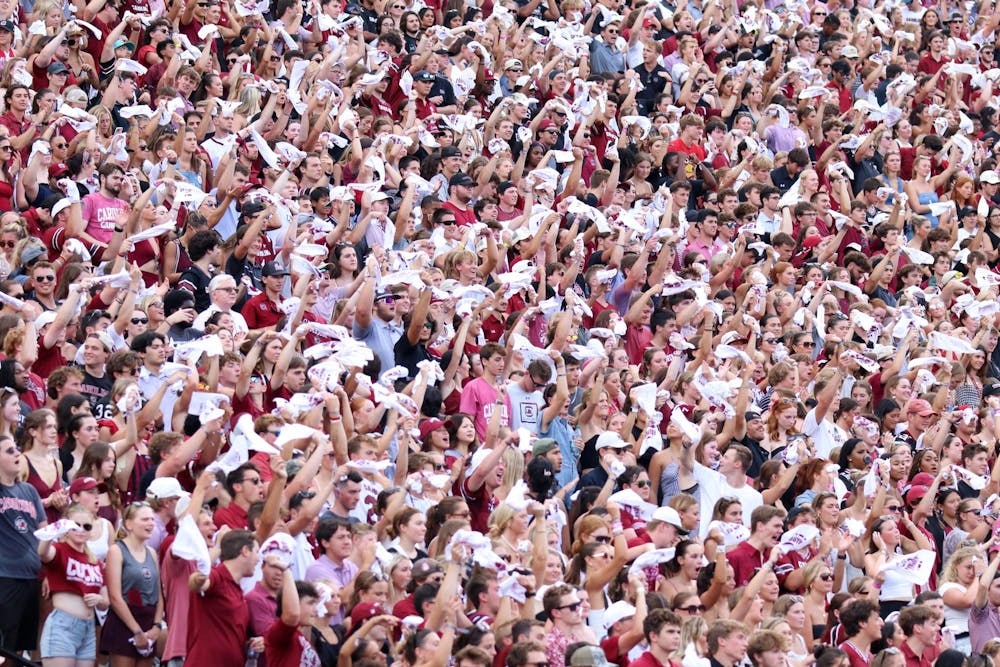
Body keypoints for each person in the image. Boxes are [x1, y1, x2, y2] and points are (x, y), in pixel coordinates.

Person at [0, 433, 46, 655]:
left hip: (31, 576)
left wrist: (47, 572)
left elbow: (44, 533)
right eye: (9, 451)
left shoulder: (29, 491)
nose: (17, 453)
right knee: (3, 647)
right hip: (5, 576)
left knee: (20, 647)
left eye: (17, 449)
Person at [187, 530, 261, 667]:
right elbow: (198, 582)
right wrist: (217, 548)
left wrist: (255, 643)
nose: (258, 559)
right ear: (245, 551)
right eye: (256, 552)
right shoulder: (217, 577)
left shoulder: (239, 591)